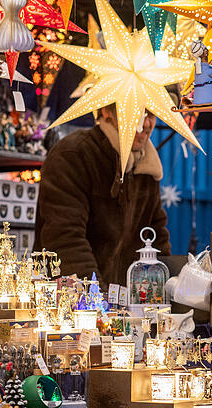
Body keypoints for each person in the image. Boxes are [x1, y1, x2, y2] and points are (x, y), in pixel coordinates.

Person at [34, 105, 171, 286]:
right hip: (66, 296)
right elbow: (66, 240)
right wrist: (97, 298)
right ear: (107, 111)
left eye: (151, 114)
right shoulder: (73, 154)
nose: (146, 123)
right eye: (136, 111)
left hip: (122, 300)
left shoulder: (147, 168)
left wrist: (166, 289)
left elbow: (156, 239)